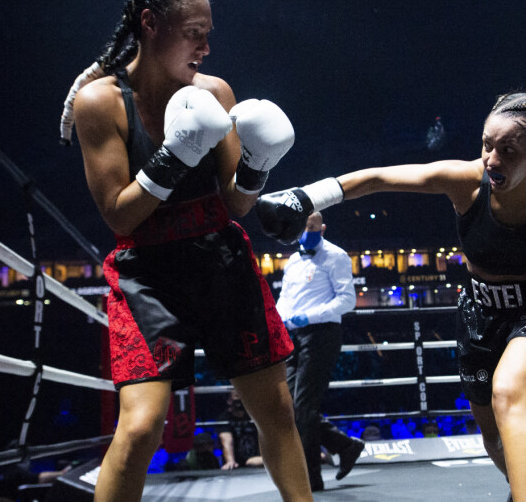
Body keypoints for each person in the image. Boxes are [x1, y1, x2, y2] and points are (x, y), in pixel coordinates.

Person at [61, 0, 312, 502]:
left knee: (277, 410)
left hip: (220, 259)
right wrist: (174, 154)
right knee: (139, 428)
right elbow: (119, 216)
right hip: (147, 274)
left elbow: (235, 204)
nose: (206, 45)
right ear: (151, 25)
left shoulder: (214, 92)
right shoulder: (100, 103)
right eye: (194, 31)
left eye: (208, 33)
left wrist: (257, 166)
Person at [255, 92, 526, 501]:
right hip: (480, 314)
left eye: (508, 150)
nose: (492, 159)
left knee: (510, 392)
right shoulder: (466, 181)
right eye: (487, 145)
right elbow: (379, 178)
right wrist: (307, 197)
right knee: (493, 436)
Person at [276, 211, 364, 491]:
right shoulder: (291, 260)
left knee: (303, 406)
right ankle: (345, 446)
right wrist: (277, 323)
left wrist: (309, 316)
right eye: (303, 226)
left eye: (312, 226)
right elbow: (285, 299)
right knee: (290, 407)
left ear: (322, 228)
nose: (307, 231)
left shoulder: (336, 256)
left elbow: (347, 300)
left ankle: (311, 478)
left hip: (322, 334)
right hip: (294, 335)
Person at [217, 390, 263, 470]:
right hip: (237, 463)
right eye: (237, 397)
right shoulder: (225, 418)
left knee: (252, 461)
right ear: (229, 400)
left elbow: (264, 436)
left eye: (242, 397)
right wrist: (230, 461)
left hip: (257, 459)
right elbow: (226, 440)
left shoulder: (255, 415)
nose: (239, 402)